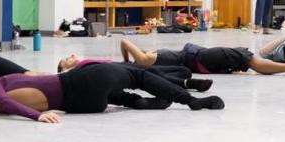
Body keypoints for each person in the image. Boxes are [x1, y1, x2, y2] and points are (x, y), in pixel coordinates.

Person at [0, 62, 224, 122]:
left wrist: (39, 113)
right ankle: (191, 101)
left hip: (84, 105)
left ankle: (141, 103)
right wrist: (38, 117)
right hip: (76, 84)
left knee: (117, 95)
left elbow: (8, 103)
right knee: (138, 74)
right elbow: (3, 95)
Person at [119, 38, 285, 75]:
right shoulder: (156, 59)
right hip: (205, 59)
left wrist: (129, 63)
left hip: (203, 58)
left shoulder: (147, 60)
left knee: (254, 64)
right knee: (254, 64)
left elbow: (124, 42)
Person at [55, 54, 214, 92]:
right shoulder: (79, 71)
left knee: (181, 71)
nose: (71, 56)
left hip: (122, 66)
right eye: (66, 59)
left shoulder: (84, 63)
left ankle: (181, 80)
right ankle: (188, 84)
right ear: (66, 69)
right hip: (122, 71)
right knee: (156, 76)